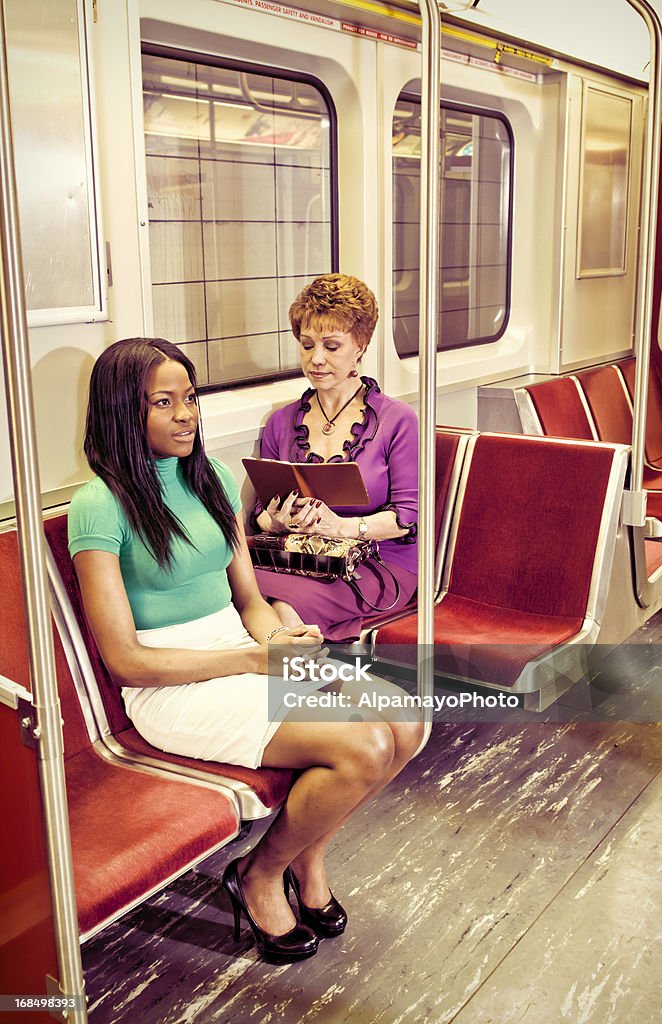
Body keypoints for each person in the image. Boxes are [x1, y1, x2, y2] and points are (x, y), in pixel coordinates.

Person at [68, 337, 423, 965]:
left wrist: (275, 640)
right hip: (172, 684)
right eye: (163, 403)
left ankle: (305, 855)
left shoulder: (214, 479)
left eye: (190, 398)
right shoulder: (99, 505)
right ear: (125, 411)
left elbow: (251, 602)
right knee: (362, 745)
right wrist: (253, 660)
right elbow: (126, 660)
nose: (186, 415)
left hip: (239, 649)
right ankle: (260, 874)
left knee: (406, 718)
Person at [252, 274, 418, 641]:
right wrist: (277, 523)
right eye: (307, 345)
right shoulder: (281, 423)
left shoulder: (397, 419)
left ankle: (302, 686)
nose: (316, 359)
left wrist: (340, 527)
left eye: (331, 346)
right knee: (234, 587)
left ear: (360, 345)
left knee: (281, 606)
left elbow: (406, 520)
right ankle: (306, 682)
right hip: (300, 558)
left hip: (378, 560)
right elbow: (263, 514)